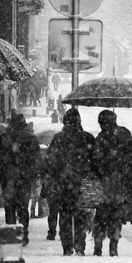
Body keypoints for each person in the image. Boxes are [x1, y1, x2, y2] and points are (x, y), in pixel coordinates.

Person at [92, 110, 132, 257]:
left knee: (101, 216)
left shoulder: (100, 138)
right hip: (121, 185)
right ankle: (114, 246)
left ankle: (98, 246)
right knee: (116, 216)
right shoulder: (124, 135)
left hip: (104, 185)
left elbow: (95, 161)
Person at [47, 108, 95, 256]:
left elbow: (51, 163)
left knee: (65, 216)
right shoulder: (87, 138)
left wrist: (55, 179)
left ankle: (67, 247)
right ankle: (80, 246)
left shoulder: (58, 139)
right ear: (79, 121)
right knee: (81, 217)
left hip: (63, 185)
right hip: (83, 184)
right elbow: (96, 162)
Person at [0, 114, 41, 246]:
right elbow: (36, 160)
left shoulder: (4, 138)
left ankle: (12, 234)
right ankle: (23, 234)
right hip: (24, 179)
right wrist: (32, 175)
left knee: (10, 207)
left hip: (8, 179)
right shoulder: (31, 138)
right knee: (23, 208)